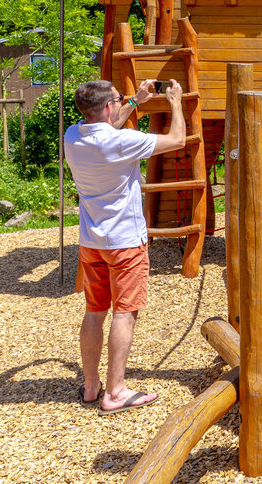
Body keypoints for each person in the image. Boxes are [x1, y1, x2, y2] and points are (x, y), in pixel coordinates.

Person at [64, 77, 185, 414]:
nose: (120, 102)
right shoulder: (123, 142)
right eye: (117, 98)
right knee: (125, 313)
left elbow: (106, 126)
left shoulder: (73, 136)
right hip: (125, 243)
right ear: (107, 106)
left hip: (92, 242)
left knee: (94, 311)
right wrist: (175, 102)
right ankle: (115, 391)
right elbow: (176, 140)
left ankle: (91, 386)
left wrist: (135, 101)